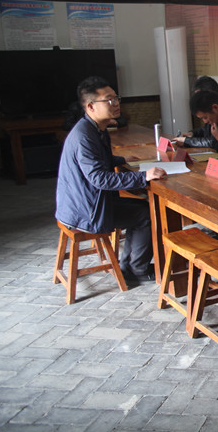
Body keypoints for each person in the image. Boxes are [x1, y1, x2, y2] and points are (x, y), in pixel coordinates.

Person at [56, 77, 167, 282]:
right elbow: (99, 179)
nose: (116, 103)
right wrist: (143, 176)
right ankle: (138, 269)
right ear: (91, 106)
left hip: (84, 202)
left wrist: (122, 160)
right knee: (146, 214)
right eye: (109, 100)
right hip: (86, 211)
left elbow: (98, 161)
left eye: (116, 98)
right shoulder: (84, 136)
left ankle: (130, 266)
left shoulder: (94, 128)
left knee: (143, 209)